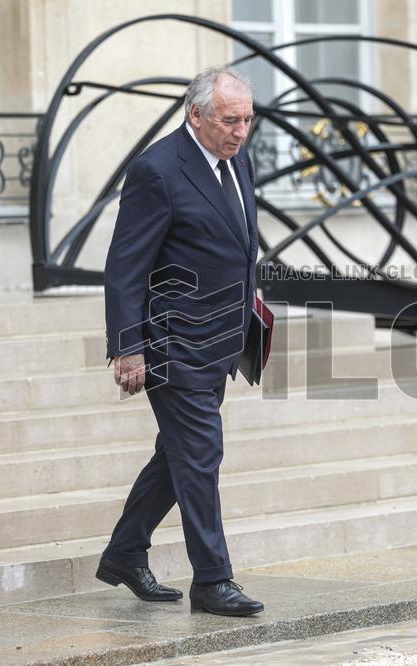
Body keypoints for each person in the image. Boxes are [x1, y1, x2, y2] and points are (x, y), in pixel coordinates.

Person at [96, 65, 264, 617]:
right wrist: (127, 346)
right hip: (171, 341)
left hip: (219, 336)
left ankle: (124, 553)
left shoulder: (239, 160)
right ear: (195, 115)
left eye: (247, 119)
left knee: (177, 454)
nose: (240, 131)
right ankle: (213, 580)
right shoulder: (158, 170)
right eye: (229, 120)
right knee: (200, 452)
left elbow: (238, 246)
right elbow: (125, 266)